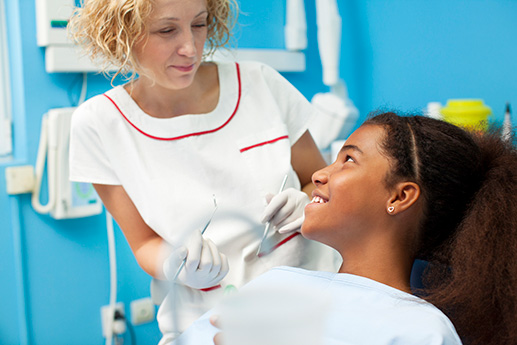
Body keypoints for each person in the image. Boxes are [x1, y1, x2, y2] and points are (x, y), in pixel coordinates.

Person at [67, 0, 340, 342]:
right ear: (120, 33)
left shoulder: (260, 83)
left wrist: (308, 203)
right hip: (208, 321)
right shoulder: (99, 125)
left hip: (310, 307)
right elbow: (144, 243)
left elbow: (321, 182)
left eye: (200, 24)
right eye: (167, 30)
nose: (190, 47)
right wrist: (175, 265)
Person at [174, 111, 517, 345]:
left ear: (400, 196)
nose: (319, 174)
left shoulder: (420, 330)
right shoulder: (274, 286)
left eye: (348, 160)